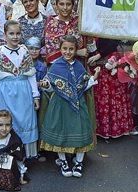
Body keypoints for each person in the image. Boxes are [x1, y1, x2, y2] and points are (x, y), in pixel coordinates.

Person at [38, 35, 99, 179]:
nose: (68, 52)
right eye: (64, 48)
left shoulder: (79, 66)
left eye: (71, 49)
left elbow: (84, 85)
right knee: (61, 131)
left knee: (81, 129)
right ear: (60, 49)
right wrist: (45, 85)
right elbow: (49, 84)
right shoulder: (55, 65)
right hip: (59, 105)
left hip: (78, 105)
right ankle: (64, 161)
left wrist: (94, 77)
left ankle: (79, 162)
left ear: (76, 50)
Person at [0, 21, 40, 159]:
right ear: (5, 35)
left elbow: (31, 75)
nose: (15, 37)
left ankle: (24, 156)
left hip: (23, 93)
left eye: (18, 33)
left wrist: (35, 95)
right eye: (11, 33)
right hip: (5, 92)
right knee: (6, 120)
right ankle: (7, 155)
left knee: (25, 120)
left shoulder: (24, 51)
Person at [92, 39, 135, 140]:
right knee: (106, 96)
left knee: (113, 95)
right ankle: (107, 129)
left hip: (113, 61)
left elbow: (113, 41)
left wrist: (100, 54)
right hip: (102, 64)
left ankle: (116, 128)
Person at [41, 0, 94, 64]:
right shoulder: (51, 24)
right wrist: (76, 52)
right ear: (56, 5)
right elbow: (51, 52)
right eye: (61, 4)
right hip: (59, 67)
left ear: (73, 5)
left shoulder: (79, 21)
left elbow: (90, 47)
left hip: (79, 64)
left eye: (68, 4)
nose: (65, 8)